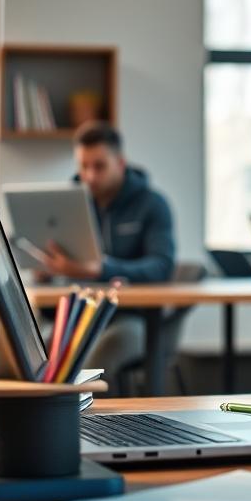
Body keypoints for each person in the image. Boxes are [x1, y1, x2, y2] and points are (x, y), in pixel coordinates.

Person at [38, 121, 176, 389]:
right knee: (33, 352)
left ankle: (94, 430)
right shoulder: (67, 204)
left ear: (120, 163)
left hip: (132, 317)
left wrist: (100, 270)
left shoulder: (152, 204)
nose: (89, 176)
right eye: (83, 167)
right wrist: (45, 266)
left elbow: (162, 266)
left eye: (99, 166)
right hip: (77, 313)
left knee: (92, 359)